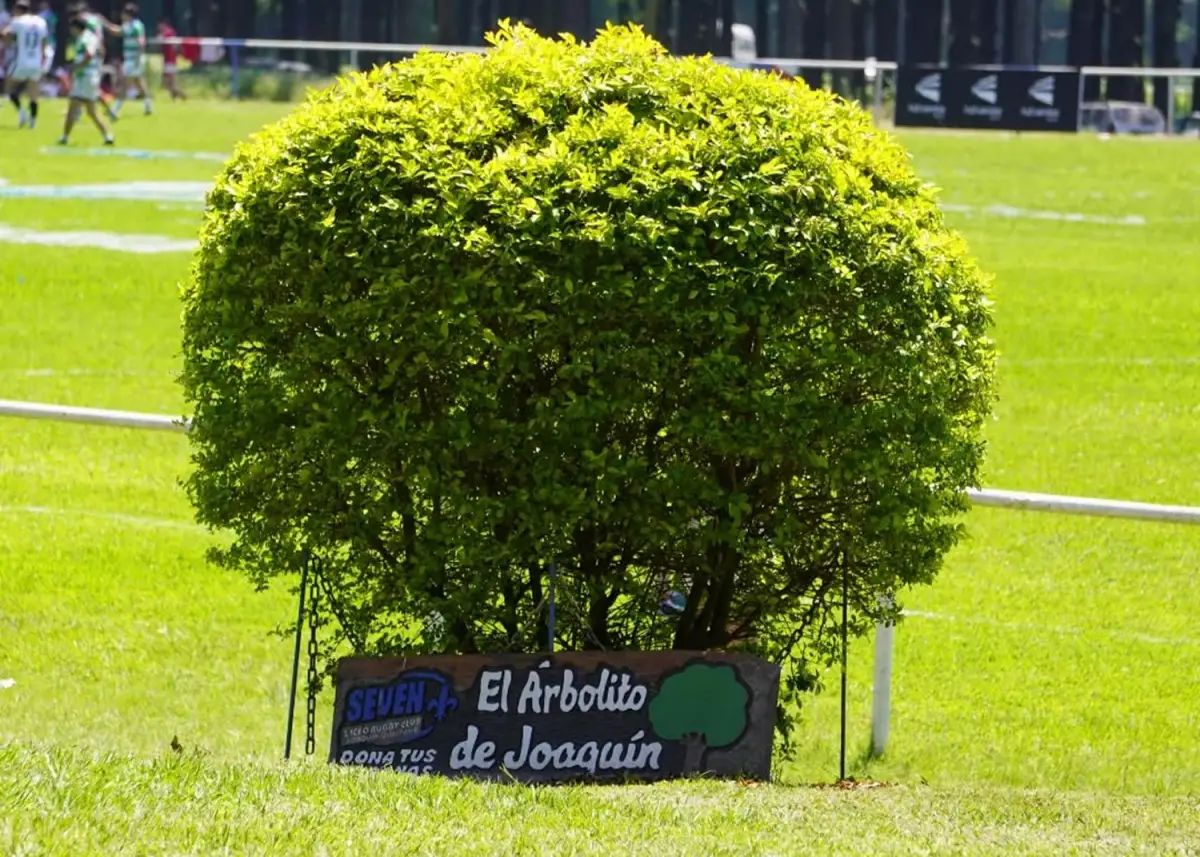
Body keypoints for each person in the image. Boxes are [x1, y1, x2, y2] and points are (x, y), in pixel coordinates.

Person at [59, 14, 112, 146]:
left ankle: (65, 137)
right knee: (91, 111)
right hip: (91, 76)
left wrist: (78, 66)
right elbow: (100, 52)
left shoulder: (84, 38)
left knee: (74, 107)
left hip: (84, 77)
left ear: (76, 28)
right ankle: (107, 136)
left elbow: (89, 54)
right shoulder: (92, 37)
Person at [2, 1, 50, 129]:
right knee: (33, 92)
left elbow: (7, 38)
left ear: (17, 10)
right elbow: (45, 41)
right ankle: (33, 121)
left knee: (9, 87)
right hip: (36, 60)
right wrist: (43, 58)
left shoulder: (17, 21)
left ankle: (22, 112)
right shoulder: (40, 21)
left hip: (21, 59)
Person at [112, 2, 149, 116]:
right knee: (139, 83)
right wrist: (105, 24)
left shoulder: (136, 26)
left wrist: (138, 58)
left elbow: (141, 42)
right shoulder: (127, 25)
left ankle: (115, 109)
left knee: (125, 83)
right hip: (130, 59)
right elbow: (118, 32)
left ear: (128, 14)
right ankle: (148, 106)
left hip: (134, 59)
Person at [157, 18, 184, 100]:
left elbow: (160, 39)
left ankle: (181, 95)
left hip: (170, 60)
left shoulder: (168, 32)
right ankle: (175, 96)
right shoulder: (170, 32)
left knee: (169, 81)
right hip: (168, 60)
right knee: (168, 81)